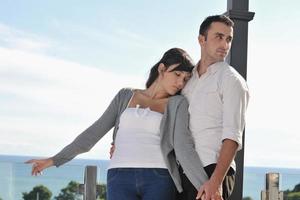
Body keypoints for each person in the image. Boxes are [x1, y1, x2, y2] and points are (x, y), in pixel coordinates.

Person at [25, 48, 208, 200]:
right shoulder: (125, 96)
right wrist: (54, 160)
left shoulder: (178, 104)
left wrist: (207, 187)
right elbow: (95, 132)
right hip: (119, 177)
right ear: (161, 69)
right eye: (177, 74)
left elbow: (184, 148)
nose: (180, 82)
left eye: (185, 79)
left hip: (158, 177)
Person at [177, 15, 250, 200]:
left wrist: (215, 182)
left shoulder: (232, 81)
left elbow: (233, 136)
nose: (225, 44)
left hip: (211, 170)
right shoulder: (186, 79)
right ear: (202, 40)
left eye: (229, 39)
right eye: (219, 37)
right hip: (181, 171)